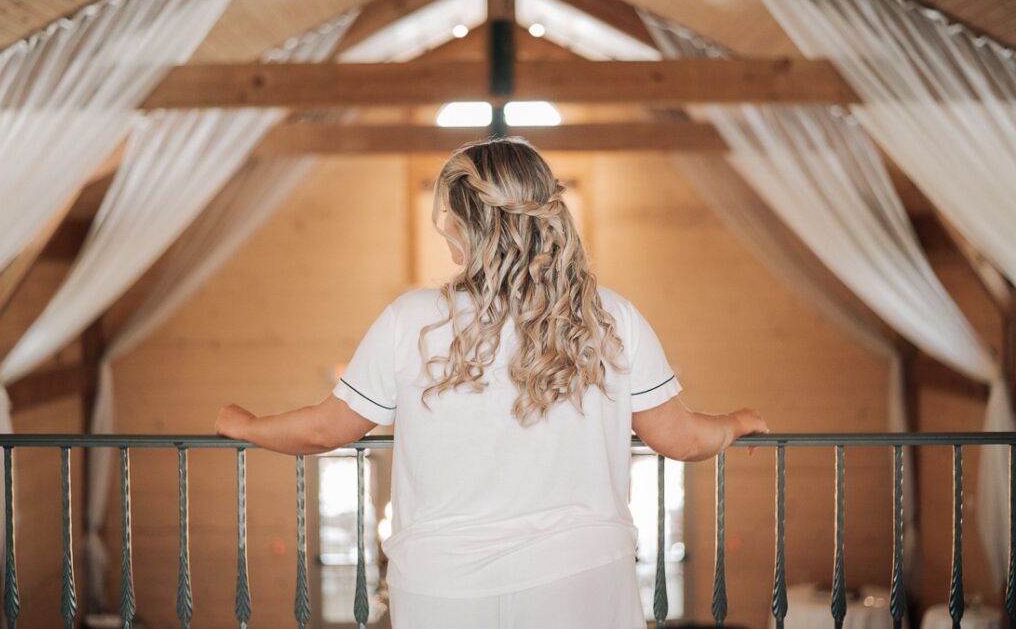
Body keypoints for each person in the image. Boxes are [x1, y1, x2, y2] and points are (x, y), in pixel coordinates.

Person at [214, 136, 769, 629]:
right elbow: (680, 440)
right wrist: (738, 422)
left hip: (444, 587)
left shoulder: (412, 318)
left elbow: (326, 430)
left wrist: (248, 426)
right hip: (581, 577)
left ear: (465, 225)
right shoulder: (609, 317)